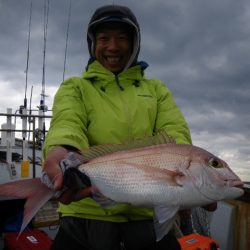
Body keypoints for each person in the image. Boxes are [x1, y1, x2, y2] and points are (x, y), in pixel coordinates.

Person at [43, 4, 193, 250]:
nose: (113, 47)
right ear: (93, 43)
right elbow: (68, 121)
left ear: (135, 44)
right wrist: (62, 149)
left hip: (146, 218)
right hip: (86, 216)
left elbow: (175, 132)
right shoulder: (75, 87)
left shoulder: (156, 90)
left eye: (122, 38)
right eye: (103, 38)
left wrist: (193, 180)